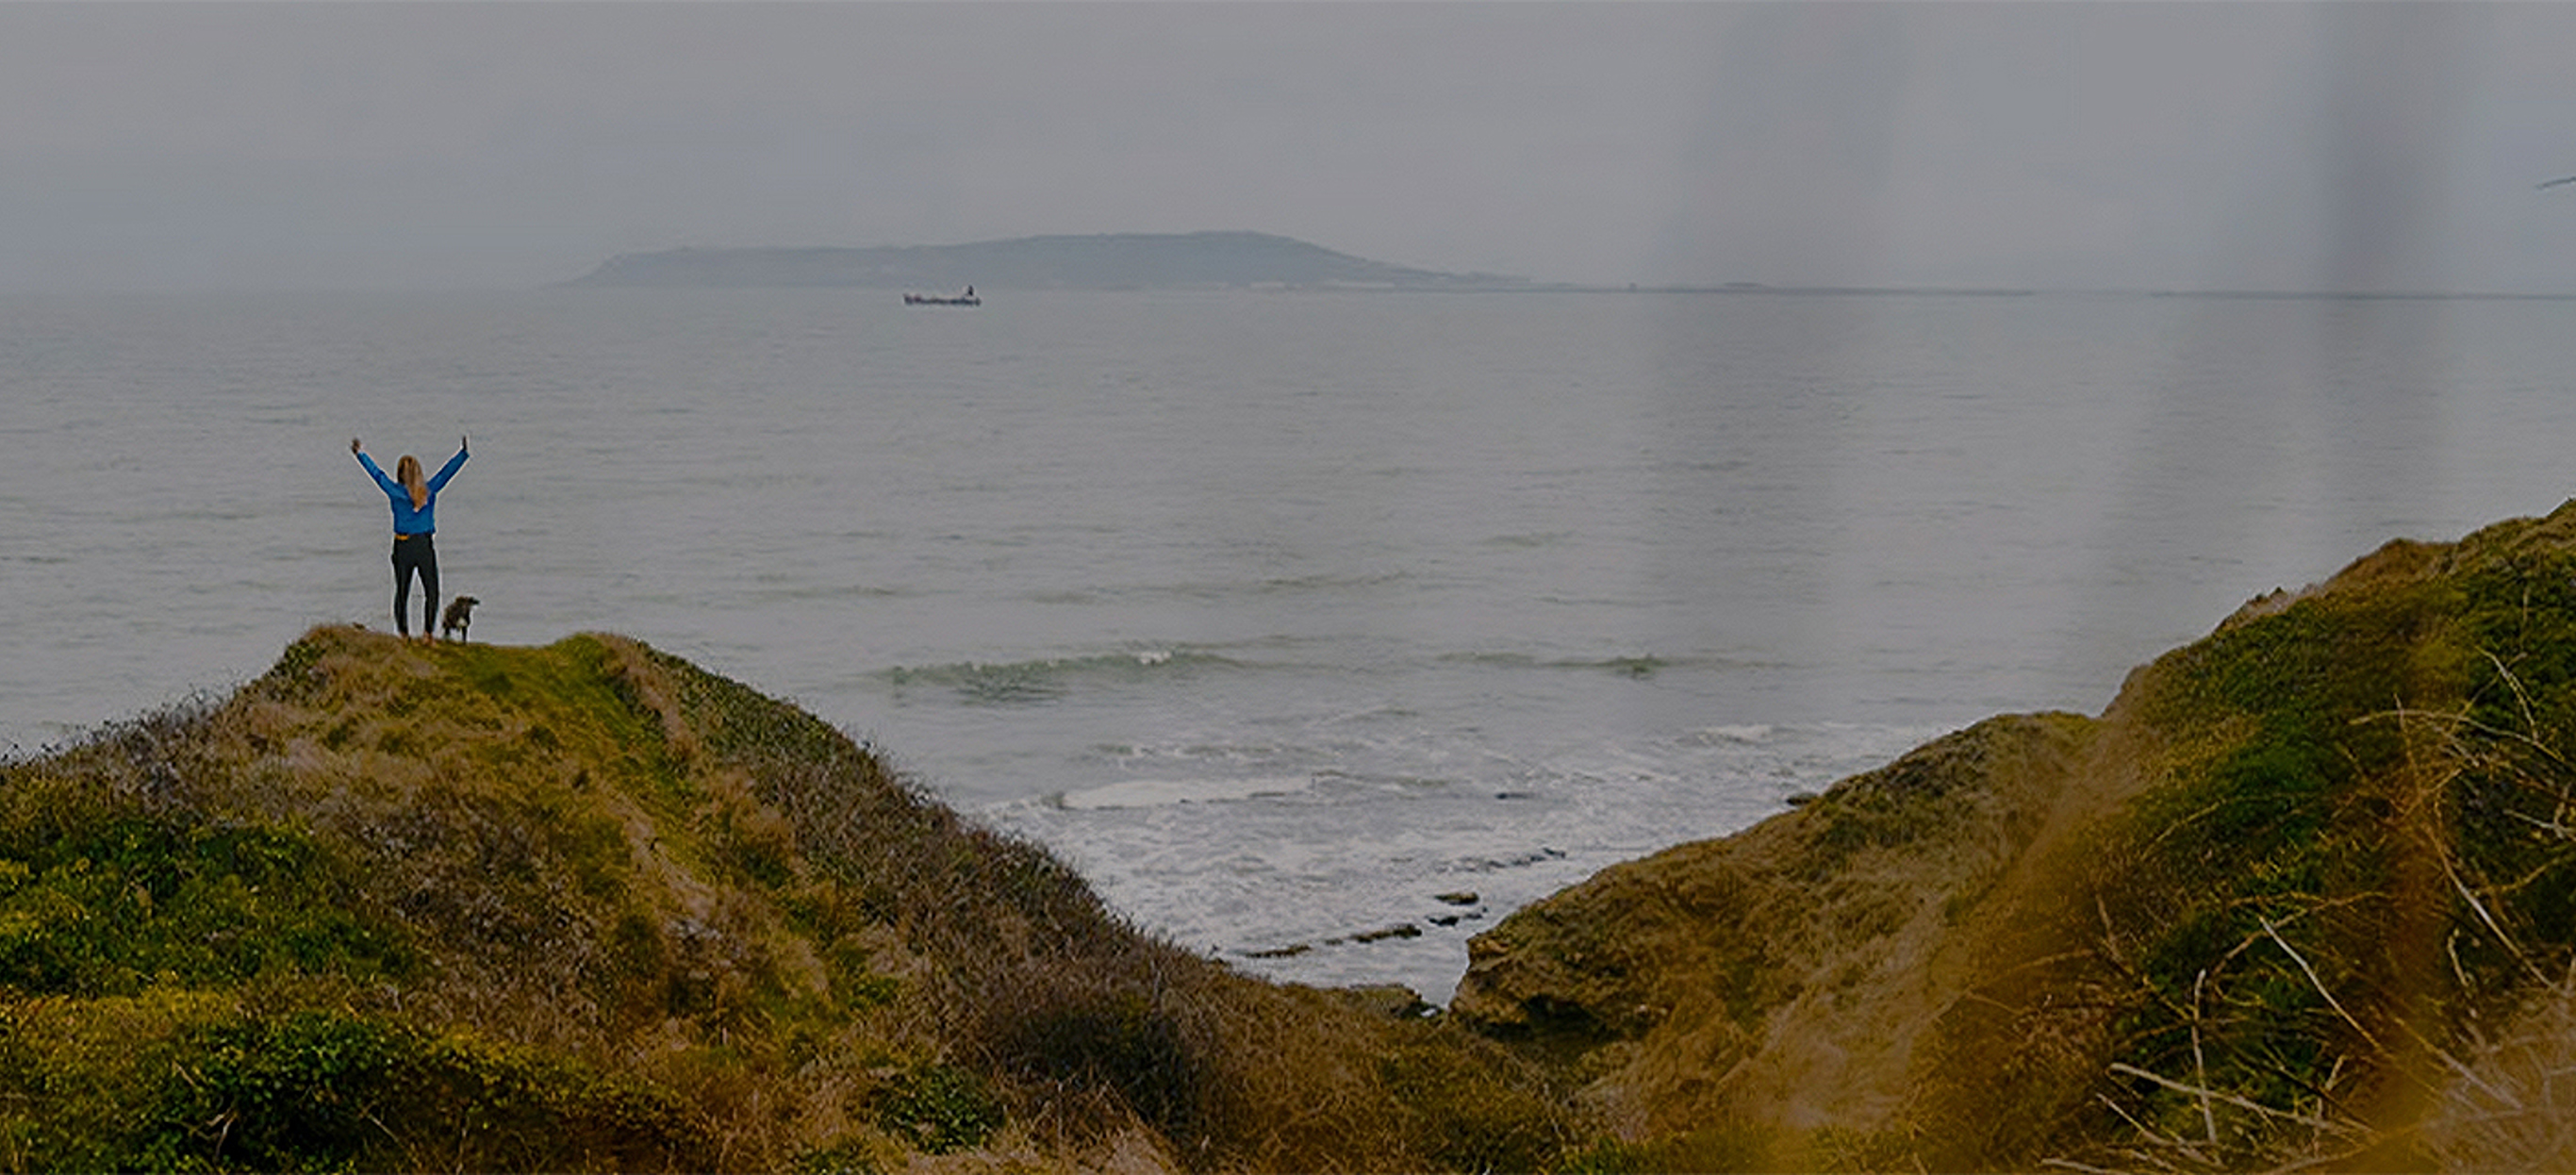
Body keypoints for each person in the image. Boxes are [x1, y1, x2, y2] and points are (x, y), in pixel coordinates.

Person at [353, 436, 469, 640]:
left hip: (402, 544)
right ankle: (427, 634)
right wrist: (462, 454)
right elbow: (446, 473)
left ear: (399, 473)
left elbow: (377, 475)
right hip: (423, 545)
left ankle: (404, 634)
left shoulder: (394, 492)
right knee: (431, 591)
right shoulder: (428, 491)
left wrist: (361, 454)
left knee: (402, 592)